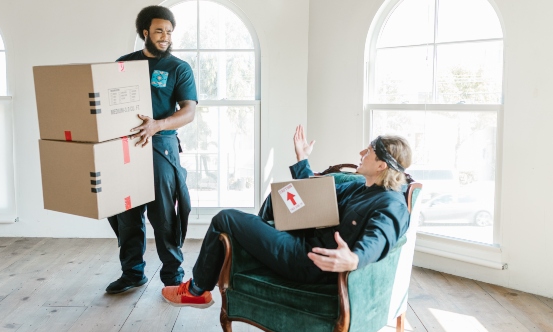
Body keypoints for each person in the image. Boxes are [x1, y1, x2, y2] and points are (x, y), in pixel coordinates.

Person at [160, 125, 412, 308]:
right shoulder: (360, 185)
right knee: (277, 197)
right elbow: (315, 195)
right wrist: (302, 158)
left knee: (224, 218)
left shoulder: (391, 204)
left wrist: (355, 259)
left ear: (382, 166)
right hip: (304, 240)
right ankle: (246, 257)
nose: (361, 153)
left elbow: (381, 237)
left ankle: (197, 290)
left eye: (368, 151)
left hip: (307, 260)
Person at [106, 5, 198, 294]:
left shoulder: (178, 68)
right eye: (159, 31)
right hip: (126, 148)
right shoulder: (124, 64)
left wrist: (156, 126)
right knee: (127, 213)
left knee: (164, 217)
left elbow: (189, 112)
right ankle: (132, 273)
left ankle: (172, 277)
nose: (165, 37)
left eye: (169, 32)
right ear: (145, 32)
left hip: (161, 147)